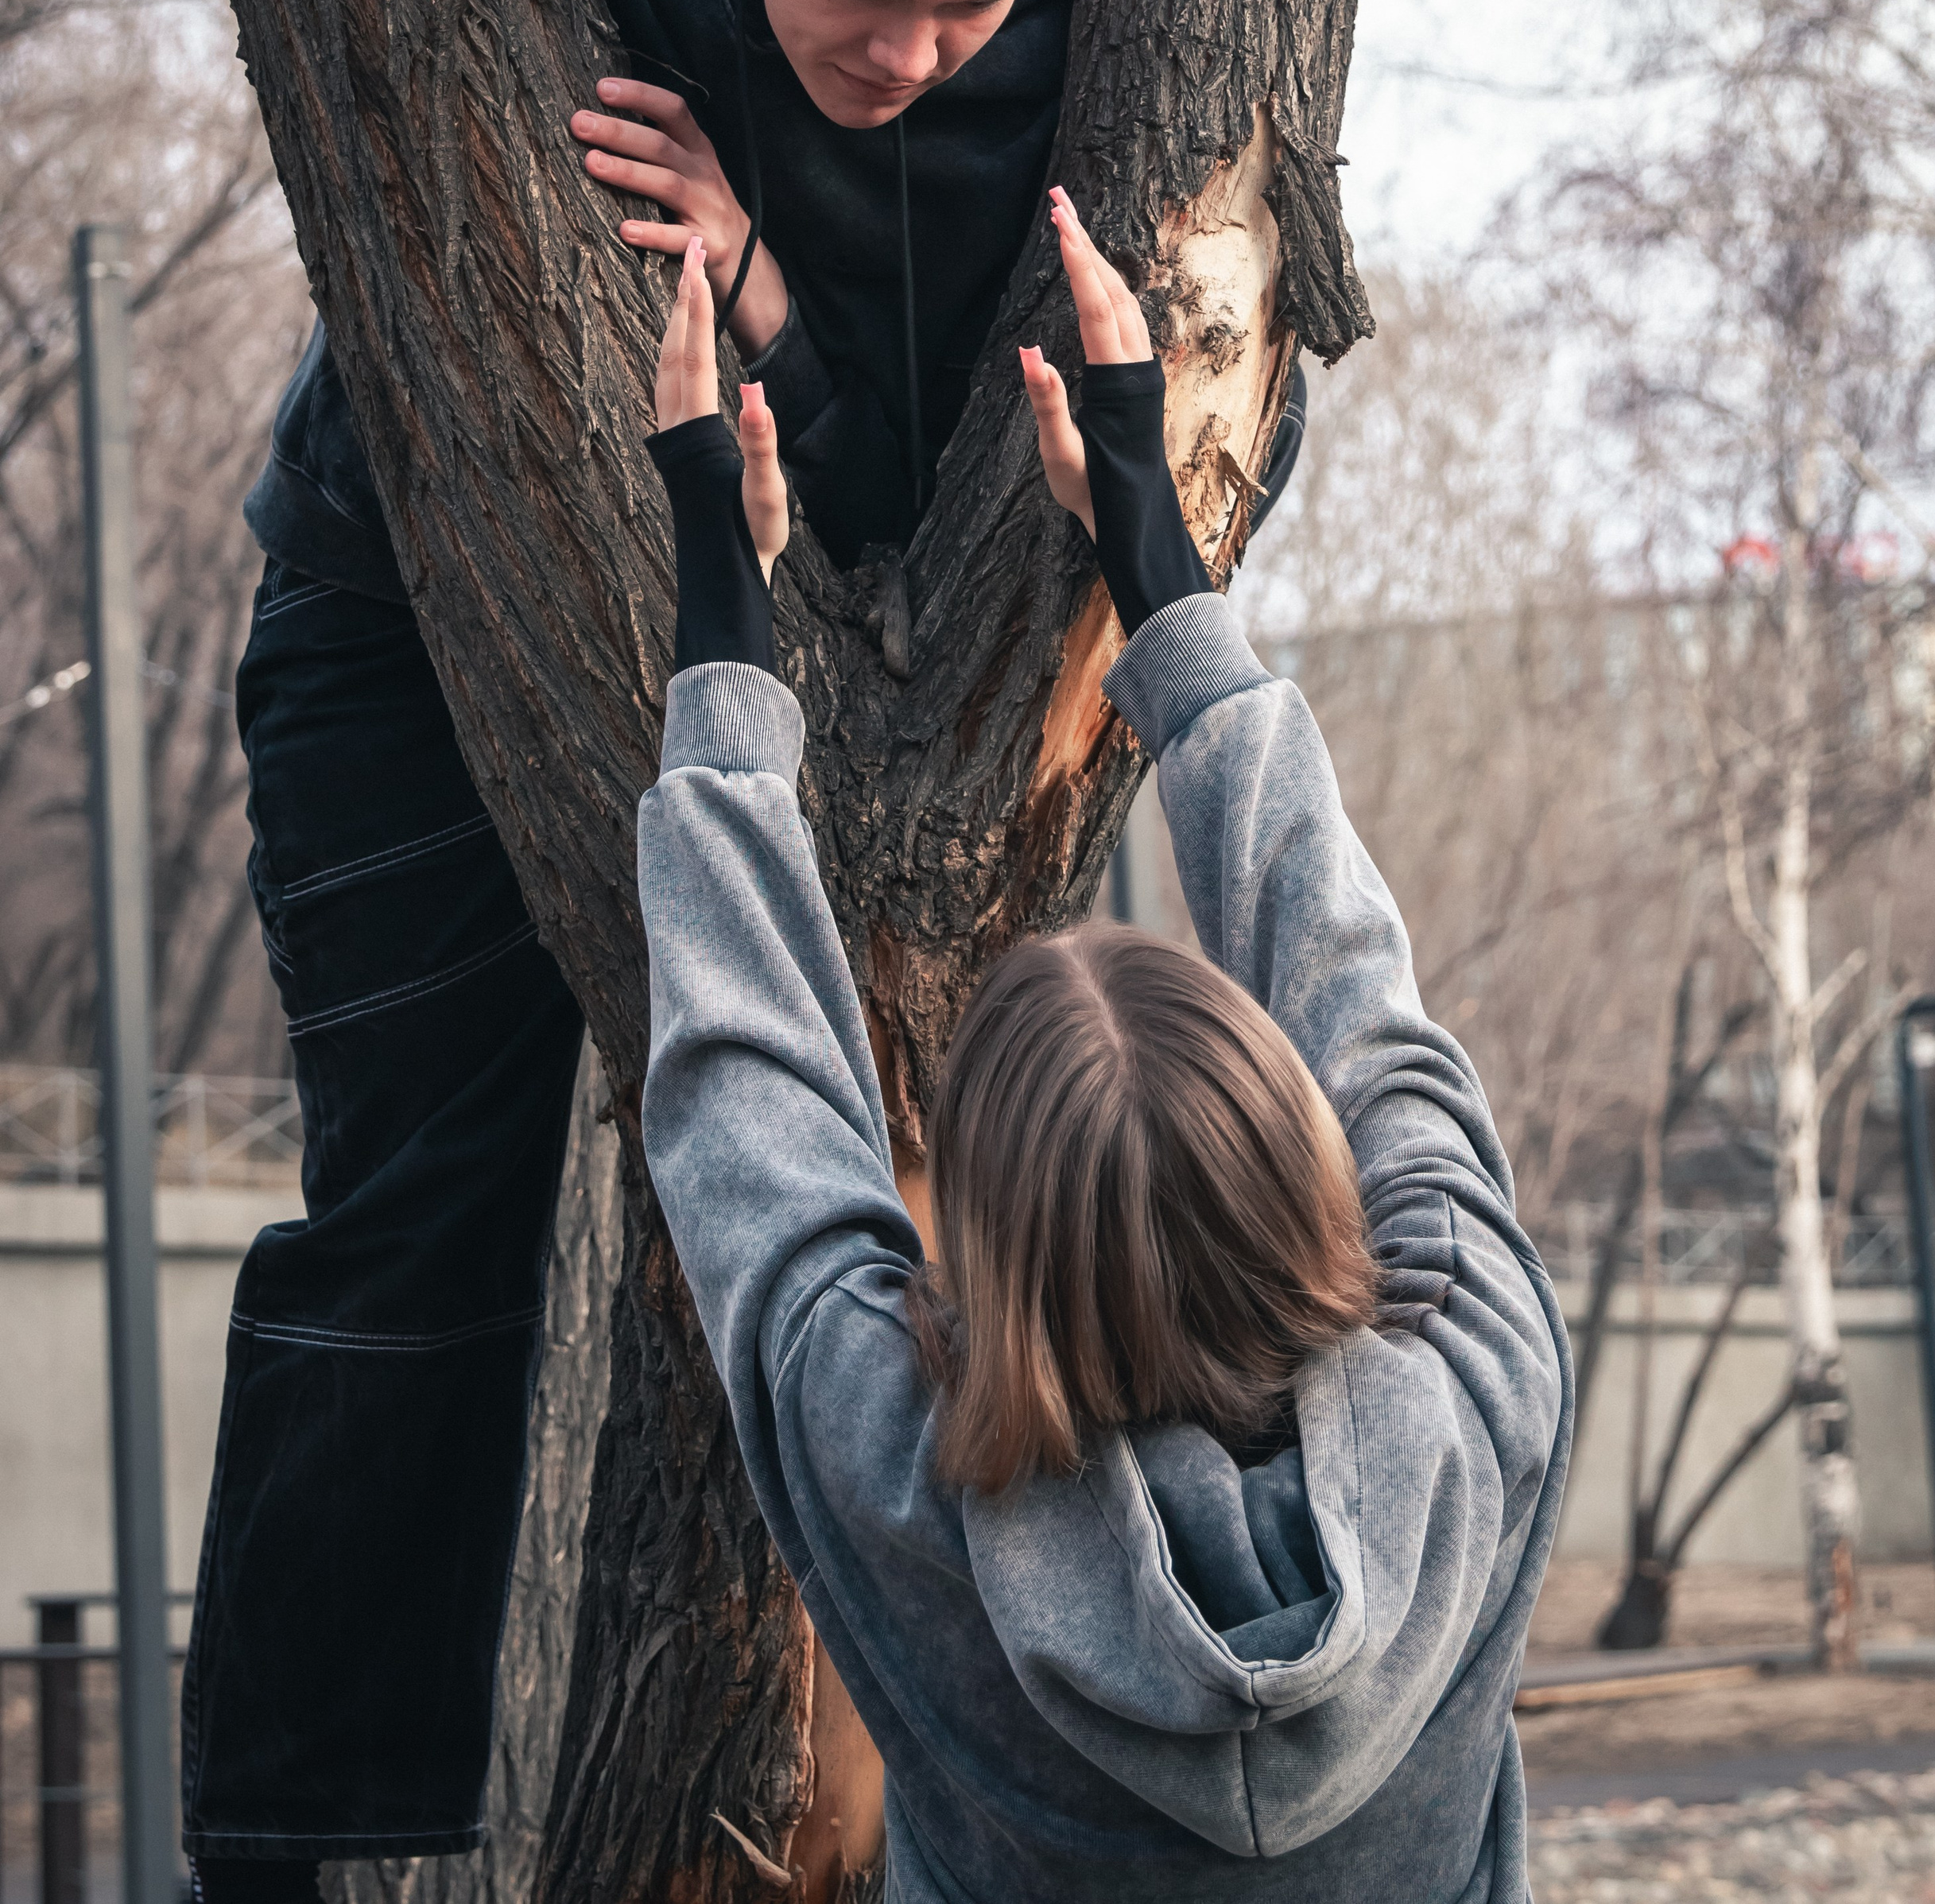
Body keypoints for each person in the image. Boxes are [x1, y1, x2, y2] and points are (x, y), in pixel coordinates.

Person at [184, 0, 1303, 1887]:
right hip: (401, 569)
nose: (921, 54)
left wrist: (775, 284)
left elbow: (938, 468)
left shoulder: (1077, 49)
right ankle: (287, 1838)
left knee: (898, 1215)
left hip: (787, 651)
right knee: (406, 1214)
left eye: (976, 4)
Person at [636, 191, 1573, 1899]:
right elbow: (1358, 986)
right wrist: (1150, 533)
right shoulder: (1479, 1404)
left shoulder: (919, 1505)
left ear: (979, 1246)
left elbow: (745, 1102)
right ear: (1302, 1169)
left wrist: (718, 577)